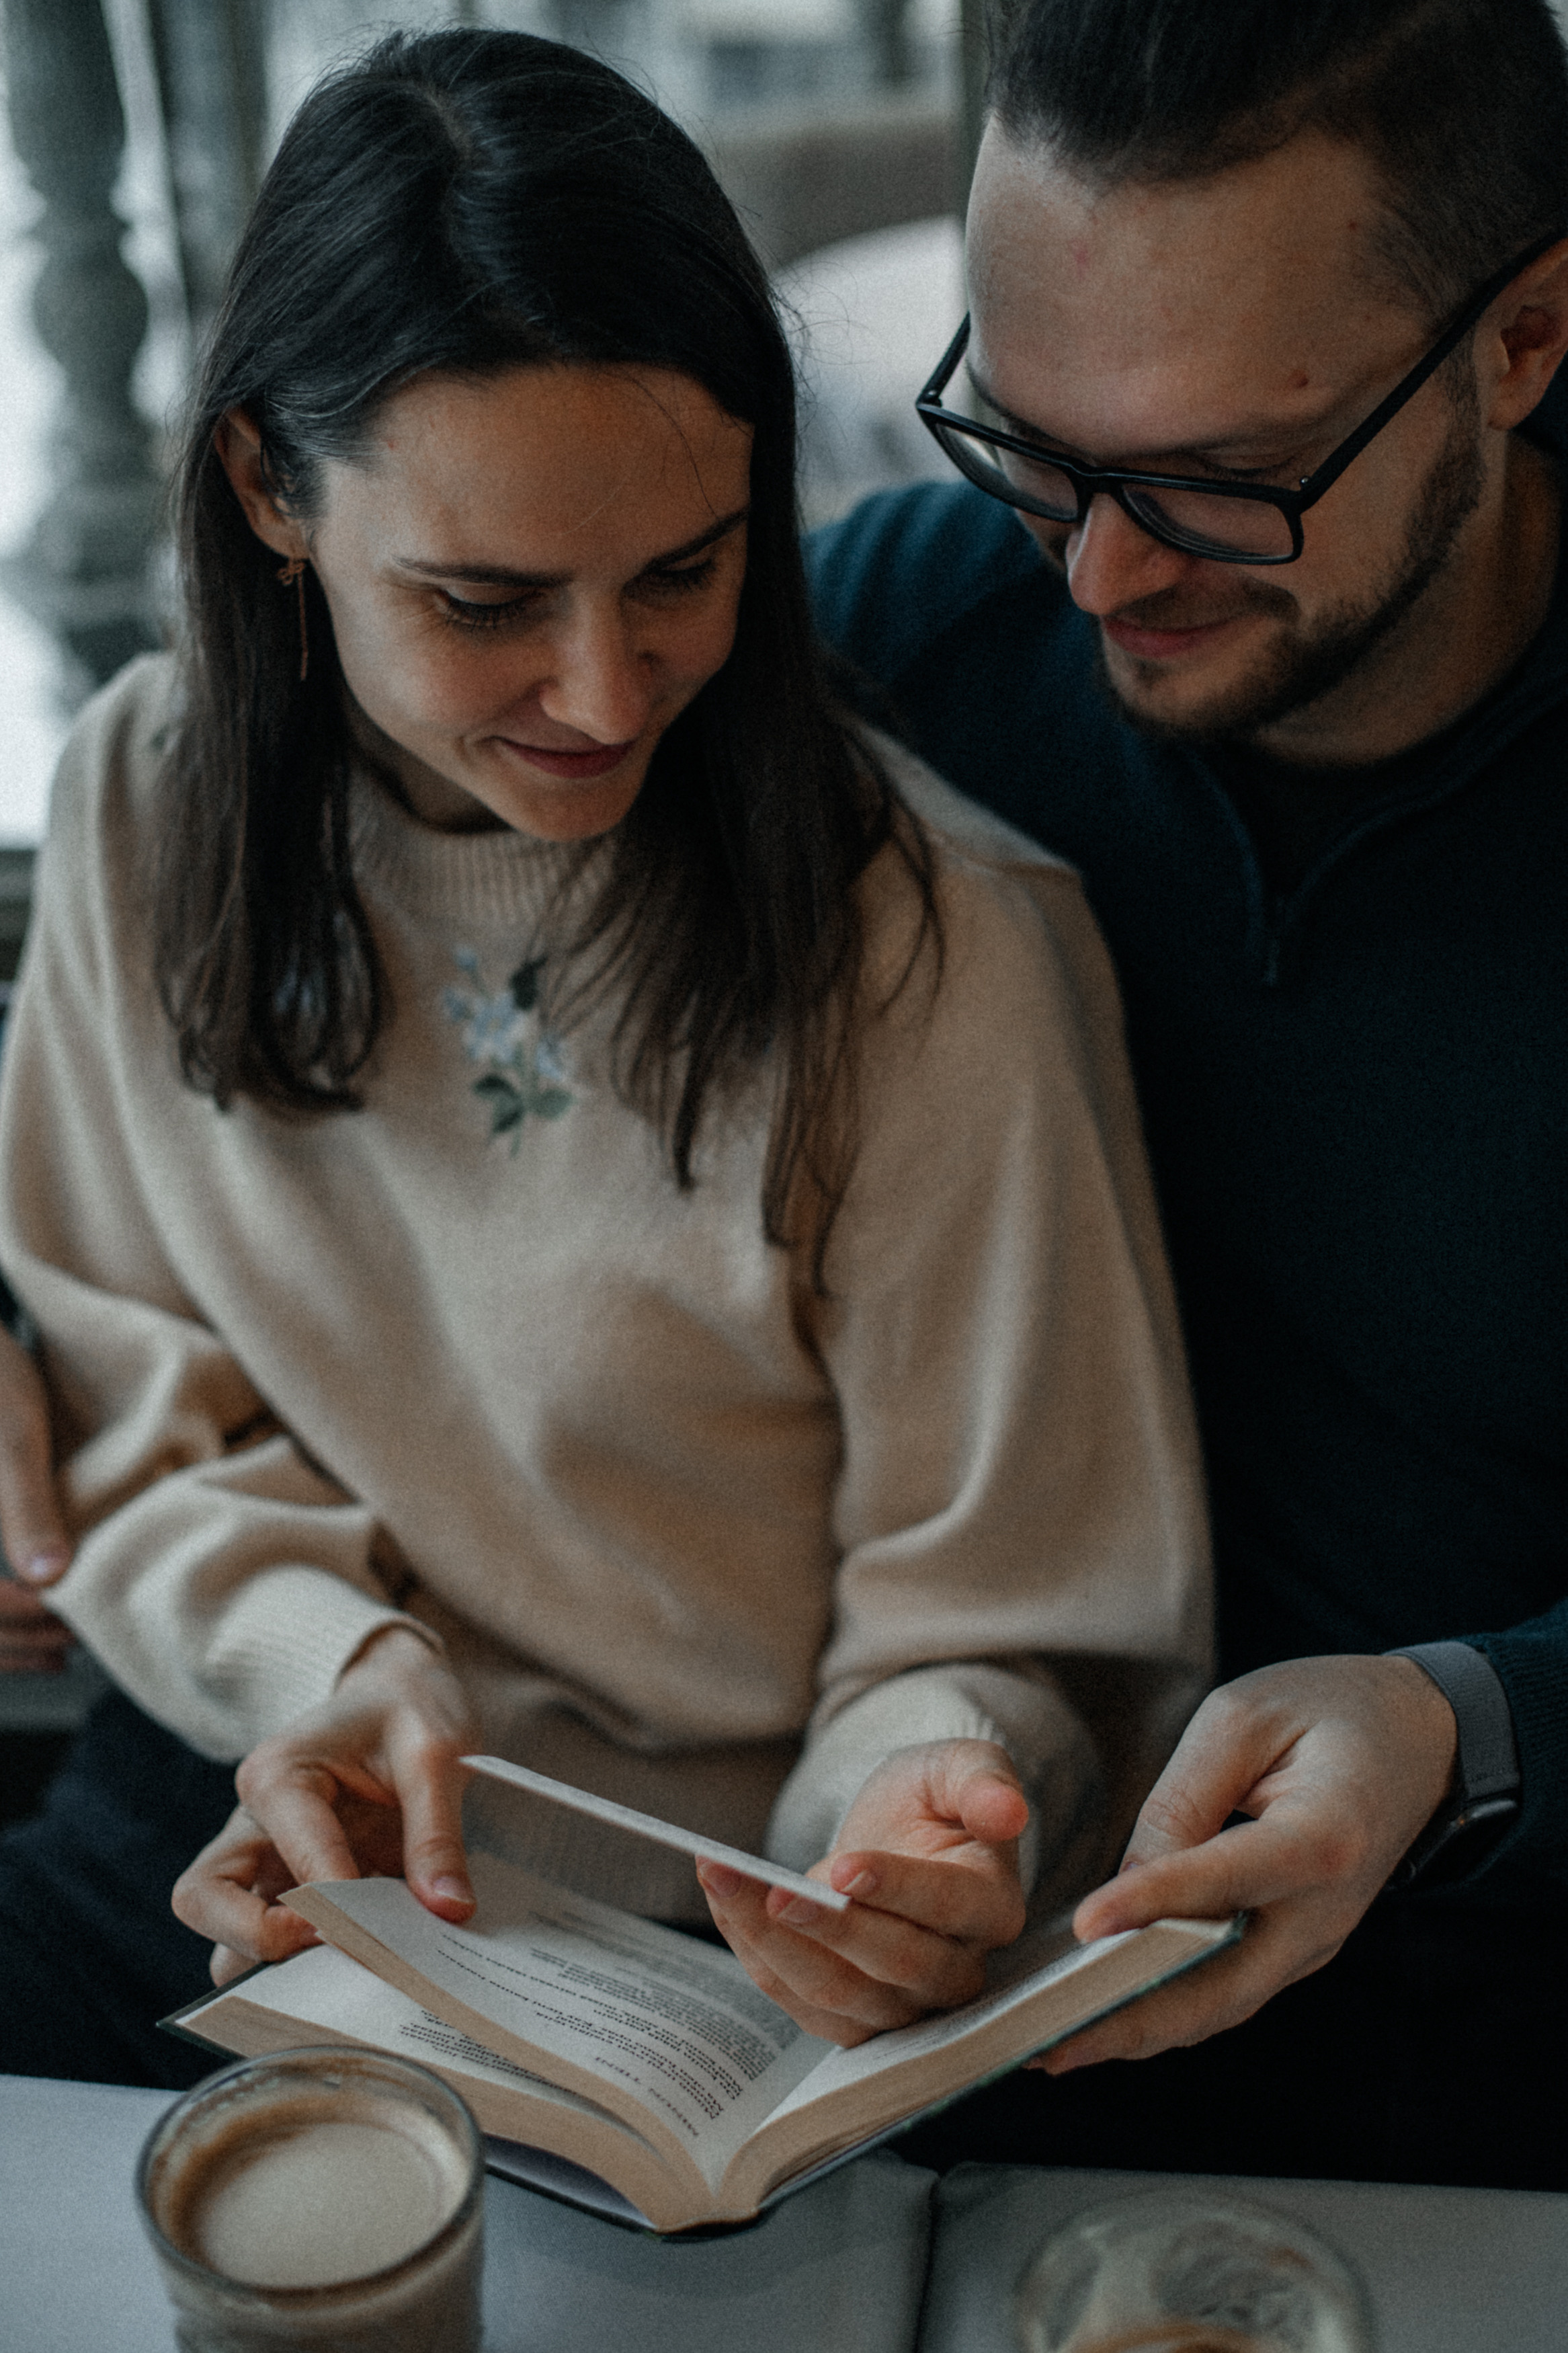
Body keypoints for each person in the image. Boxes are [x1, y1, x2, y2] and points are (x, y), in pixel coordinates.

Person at [0, 28, 1207, 2088]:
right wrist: (333, 1666)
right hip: (228, 1801)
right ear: (269, 489)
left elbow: (1011, 1608)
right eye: (484, 600)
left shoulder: (935, 948)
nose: (603, 690)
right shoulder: (141, 796)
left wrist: (923, 1813)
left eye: (683, 572)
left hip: (709, 1945)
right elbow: (129, 1383)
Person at [808, 0, 1568, 2190]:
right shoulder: (926, 638)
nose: (1096, 575)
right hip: (980, 1989)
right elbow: (356, 810)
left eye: (1221, 478)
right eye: (1031, 442)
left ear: (1525, 339)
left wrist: (1469, 1716)